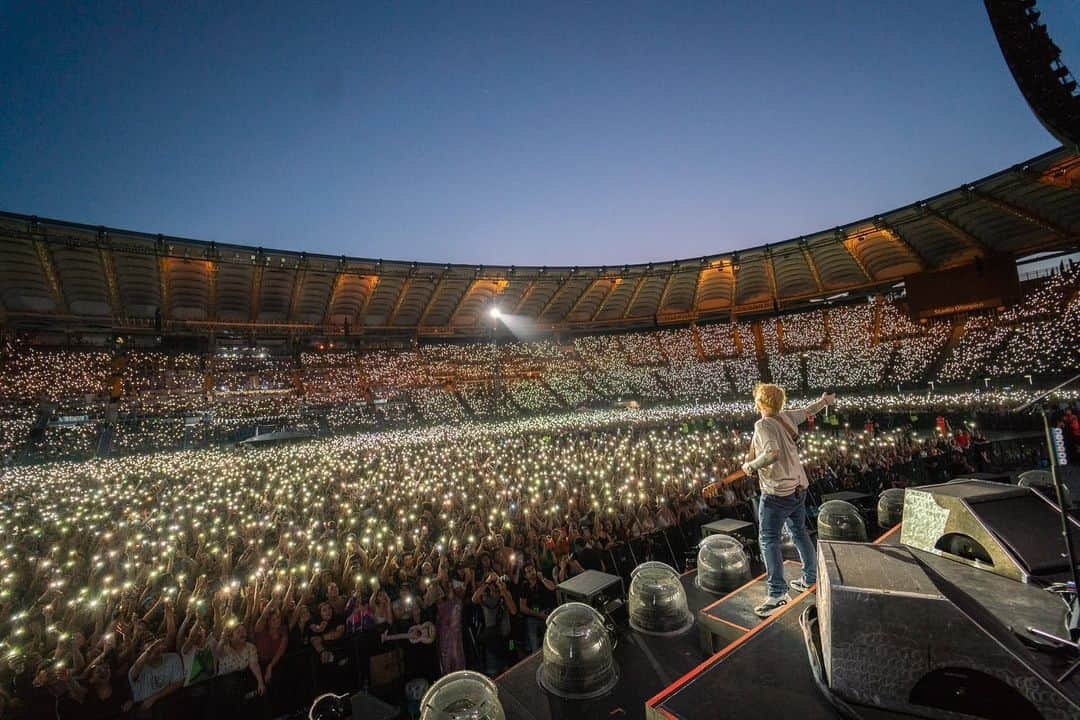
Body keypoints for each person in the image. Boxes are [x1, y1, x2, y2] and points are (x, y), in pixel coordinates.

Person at [720, 384, 833, 617]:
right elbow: (808, 411)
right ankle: (810, 577)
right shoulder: (787, 417)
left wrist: (749, 467)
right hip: (799, 488)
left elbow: (772, 453)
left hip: (778, 493)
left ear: (760, 403)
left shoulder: (762, 425)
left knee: (768, 540)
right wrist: (824, 402)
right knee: (799, 532)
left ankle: (777, 594)